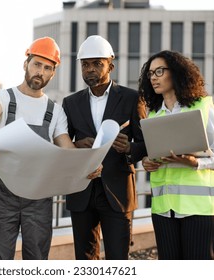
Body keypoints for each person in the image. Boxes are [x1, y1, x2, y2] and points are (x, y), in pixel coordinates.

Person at [0, 37, 101, 260]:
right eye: (37, 64)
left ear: (52, 73)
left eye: (47, 68)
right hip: (3, 194)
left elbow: (66, 147)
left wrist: (89, 165)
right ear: (25, 64)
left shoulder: (54, 111)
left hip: (39, 197)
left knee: (37, 258)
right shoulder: (4, 98)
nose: (41, 72)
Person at [138, 50, 214, 260]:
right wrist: (148, 162)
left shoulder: (202, 106)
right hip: (164, 210)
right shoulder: (153, 114)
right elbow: (154, 155)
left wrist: (194, 162)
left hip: (200, 210)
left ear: (176, 73)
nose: (153, 77)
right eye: (150, 73)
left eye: (159, 71)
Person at [62, 35, 147, 260]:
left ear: (111, 65)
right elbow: (62, 147)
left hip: (117, 192)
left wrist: (129, 148)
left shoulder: (132, 98)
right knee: (85, 259)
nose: (90, 69)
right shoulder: (70, 103)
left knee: (118, 259)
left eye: (97, 63)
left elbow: (147, 144)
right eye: (85, 64)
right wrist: (75, 145)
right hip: (82, 191)